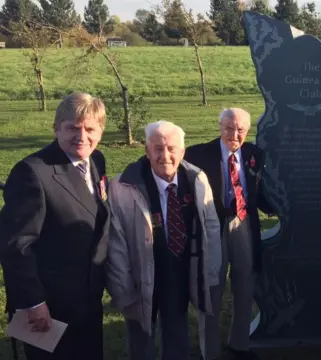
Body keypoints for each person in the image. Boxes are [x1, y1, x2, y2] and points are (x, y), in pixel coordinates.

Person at [0, 93, 110, 360]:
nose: (82, 136)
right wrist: (33, 303)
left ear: (100, 131)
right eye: (73, 127)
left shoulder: (96, 161)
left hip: (88, 298)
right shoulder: (32, 173)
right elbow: (16, 246)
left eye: (90, 129)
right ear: (57, 129)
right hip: (49, 307)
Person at [105, 121, 222, 360]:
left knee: (177, 331)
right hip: (139, 275)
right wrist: (123, 290)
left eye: (171, 149)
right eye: (157, 149)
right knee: (140, 336)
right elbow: (116, 243)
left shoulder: (197, 179)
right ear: (147, 151)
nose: (165, 156)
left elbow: (211, 227)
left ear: (182, 151)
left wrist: (210, 271)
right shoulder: (122, 187)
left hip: (178, 271)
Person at [184, 108, 273, 360]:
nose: (235, 134)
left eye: (241, 129)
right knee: (213, 286)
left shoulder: (254, 154)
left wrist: (278, 206)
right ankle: (209, 351)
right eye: (229, 128)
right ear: (220, 126)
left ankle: (240, 344)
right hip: (212, 225)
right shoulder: (197, 154)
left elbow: (258, 190)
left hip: (243, 223)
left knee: (246, 283)